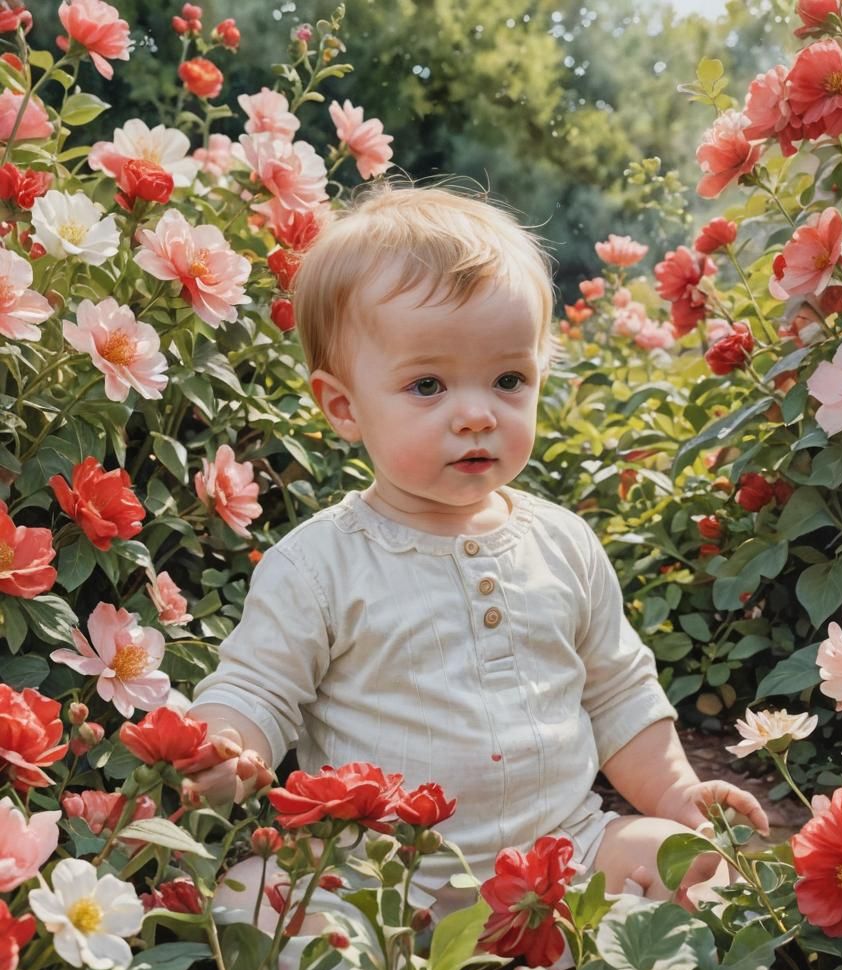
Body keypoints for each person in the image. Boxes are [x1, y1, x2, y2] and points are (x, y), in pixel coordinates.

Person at [188, 182, 769, 915]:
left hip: (561, 853)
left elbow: (617, 692)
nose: (475, 414)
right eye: (427, 384)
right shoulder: (320, 564)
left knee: (692, 865)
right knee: (252, 898)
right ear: (343, 406)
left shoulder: (562, 544)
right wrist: (227, 747)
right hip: (381, 876)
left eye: (507, 380)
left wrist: (679, 795)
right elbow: (258, 690)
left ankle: (574, 969)